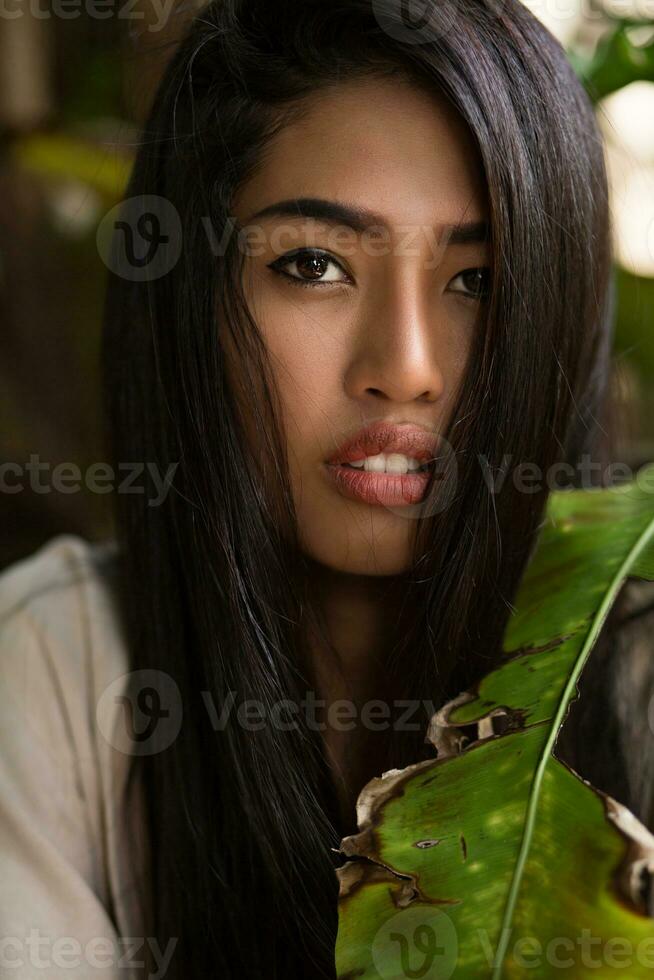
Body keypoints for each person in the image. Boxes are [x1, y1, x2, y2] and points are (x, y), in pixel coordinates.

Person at [3, 0, 653, 977]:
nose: (407, 366)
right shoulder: (47, 675)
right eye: (314, 265)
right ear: (194, 302)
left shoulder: (638, 676)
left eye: (477, 279)